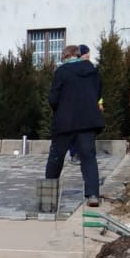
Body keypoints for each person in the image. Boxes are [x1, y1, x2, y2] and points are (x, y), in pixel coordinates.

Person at [44, 43, 103, 206]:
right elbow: (98, 93)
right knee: (88, 158)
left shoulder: (62, 72)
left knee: (56, 157)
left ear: (65, 56)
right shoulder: (93, 71)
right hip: (88, 122)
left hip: (65, 122)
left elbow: (53, 99)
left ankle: (49, 196)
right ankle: (92, 195)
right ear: (78, 55)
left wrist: (57, 108)